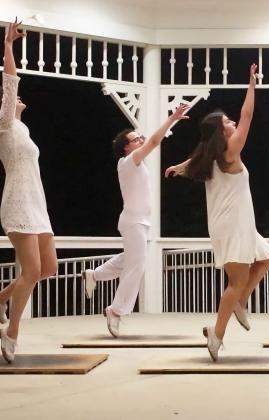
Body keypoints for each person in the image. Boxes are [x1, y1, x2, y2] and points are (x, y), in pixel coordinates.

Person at [165, 64, 269, 362]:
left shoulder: (209, 156)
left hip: (235, 223)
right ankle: (218, 334)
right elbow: (249, 115)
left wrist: (178, 167)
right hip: (233, 224)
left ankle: (241, 302)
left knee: (266, 256)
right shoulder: (229, 151)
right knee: (236, 281)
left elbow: (191, 161)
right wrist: (251, 84)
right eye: (227, 121)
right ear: (221, 131)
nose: (233, 122)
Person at [0, 18, 58, 363]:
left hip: (35, 204)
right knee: (30, 272)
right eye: (12, 101)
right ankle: (11, 333)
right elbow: (10, 83)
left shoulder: (16, 131)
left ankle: (0, 297)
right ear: (4, 107)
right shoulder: (6, 123)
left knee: (48, 268)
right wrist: (9, 46)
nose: (18, 99)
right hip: (17, 204)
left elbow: (0, 144)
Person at [81, 104, 190, 337]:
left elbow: (149, 143)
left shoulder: (134, 163)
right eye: (135, 139)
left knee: (132, 258)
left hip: (137, 222)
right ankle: (116, 310)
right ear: (126, 148)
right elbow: (153, 142)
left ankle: (95, 275)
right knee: (137, 264)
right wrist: (172, 119)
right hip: (134, 222)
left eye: (139, 137)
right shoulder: (128, 161)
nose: (140, 140)